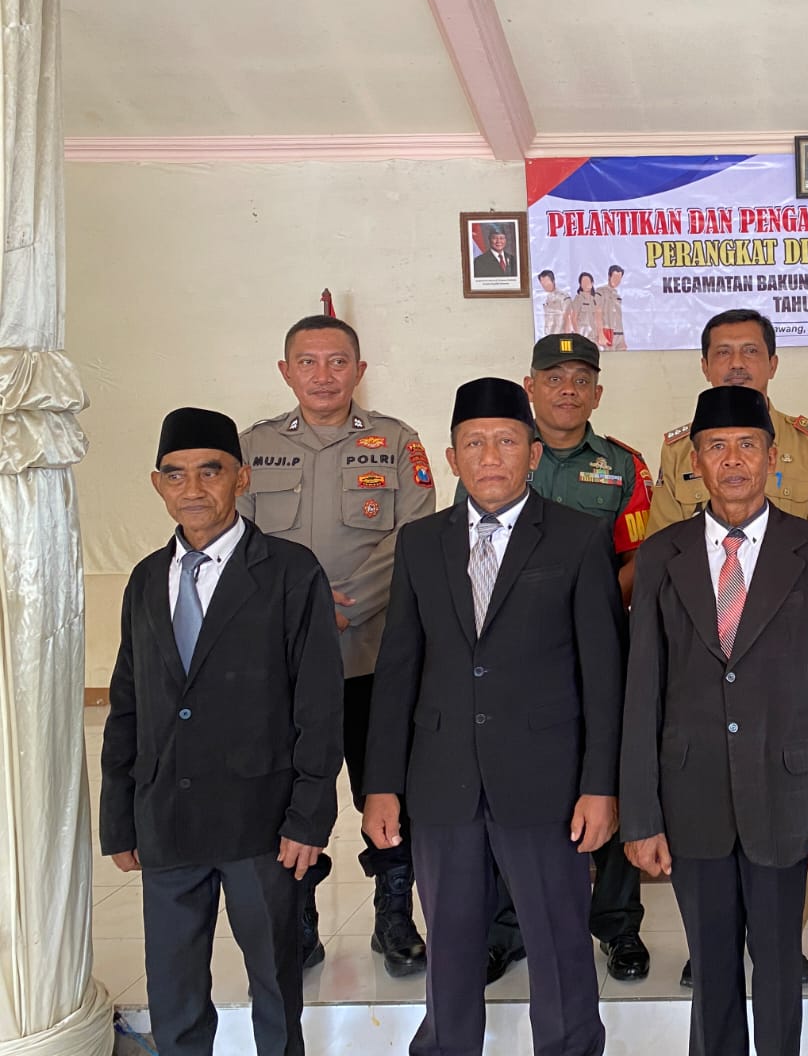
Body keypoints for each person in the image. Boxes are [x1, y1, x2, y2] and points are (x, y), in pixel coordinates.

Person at [363, 377, 624, 1056]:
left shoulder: (576, 538)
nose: (489, 457)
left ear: (533, 453)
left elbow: (604, 676)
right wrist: (380, 784)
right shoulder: (421, 543)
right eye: (473, 443)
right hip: (441, 780)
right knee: (450, 943)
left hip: (546, 783)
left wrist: (601, 785)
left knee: (558, 941)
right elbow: (397, 670)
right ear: (452, 458)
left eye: (506, 441)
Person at [621, 385, 808, 1056]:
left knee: (781, 970)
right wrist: (640, 815)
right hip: (691, 796)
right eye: (717, 447)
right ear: (695, 461)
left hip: (788, 796)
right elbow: (641, 692)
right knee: (711, 973)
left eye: (747, 446)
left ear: (772, 457)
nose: (733, 460)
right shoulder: (662, 554)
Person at [101, 408, 343, 1056]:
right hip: (166, 820)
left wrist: (308, 816)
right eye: (175, 474)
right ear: (158, 484)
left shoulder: (290, 572)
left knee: (274, 983)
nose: (193, 489)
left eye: (210, 471)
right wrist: (119, 818)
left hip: (258, 823)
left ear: (241, 478)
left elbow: (320, 705)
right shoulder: (146, 579)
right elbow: (127, 702)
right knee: (173, 990)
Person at [452, 332, 654, 984]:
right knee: (510, 786)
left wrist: (587, 604)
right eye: (554, 377)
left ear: (597, 392)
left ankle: (618, 926)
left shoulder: (623, 466)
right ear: (531, 386)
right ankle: (507, 928)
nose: (567, 389)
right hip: (511, 658)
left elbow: (640, 556)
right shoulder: (496, 453)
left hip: (600, 645)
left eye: (580, 379)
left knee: (608, 774)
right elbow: (470, 551)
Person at [238, 315, 435, 977]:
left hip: (373, 655)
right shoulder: (253, 447)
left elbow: (414, 537)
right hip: (282, 664)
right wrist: (300, 612)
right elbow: (239, 541)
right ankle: (298, 919)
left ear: (359, 369)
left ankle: (394, 916)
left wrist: (340, 605)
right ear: (286, 371)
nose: (323, 376)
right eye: (308, 362)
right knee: (287, 791)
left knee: (388, 786)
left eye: (337, 361)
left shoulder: (397, 442)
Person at [647, 308, 808, 538]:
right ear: (705, 367)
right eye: (723, 352)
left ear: (772, 365)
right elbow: (664, 545)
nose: (737, 363)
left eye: (750, 351)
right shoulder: (679, 450)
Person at [597, 264, 628, 350]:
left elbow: (618, 317)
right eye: (615, 278)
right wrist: (601, 334)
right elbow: (597, 313)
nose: (617, 281)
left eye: (619, 278)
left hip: (619, 333)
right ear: (609, 277)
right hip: (608, 332)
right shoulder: (601, 291)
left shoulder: (617, 295)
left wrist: (622, 339)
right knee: (609, 357)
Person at [565, 271, 601, 341]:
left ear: (592, 283)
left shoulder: (596, 300)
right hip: (582, 336)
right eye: (583, 282)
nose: (586, 284)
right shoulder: (578, 299)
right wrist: (577, 333)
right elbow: (573, 318)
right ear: (580, 285)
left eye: (587, 282)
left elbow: (599, 319)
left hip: (594, 336)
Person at [538, 269, 572, 336]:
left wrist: (566, 339)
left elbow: (568, 319)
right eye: (543, 284)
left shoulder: (563, 297)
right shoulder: (546, 298)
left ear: (553, 281)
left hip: (562, 336)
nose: (545, 286)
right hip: (549, 337)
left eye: (547, 283)